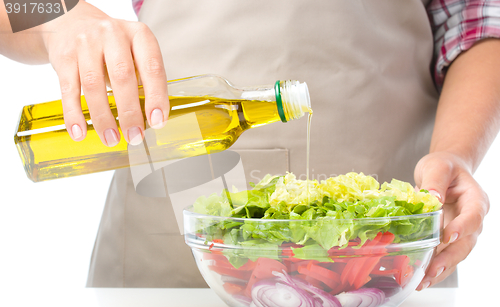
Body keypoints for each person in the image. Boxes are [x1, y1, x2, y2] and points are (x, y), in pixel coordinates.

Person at [1, 0, 499, 290]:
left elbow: (481, 24)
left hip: (377, 262)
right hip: (161, 254)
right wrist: (55, 16)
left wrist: (455, 154)